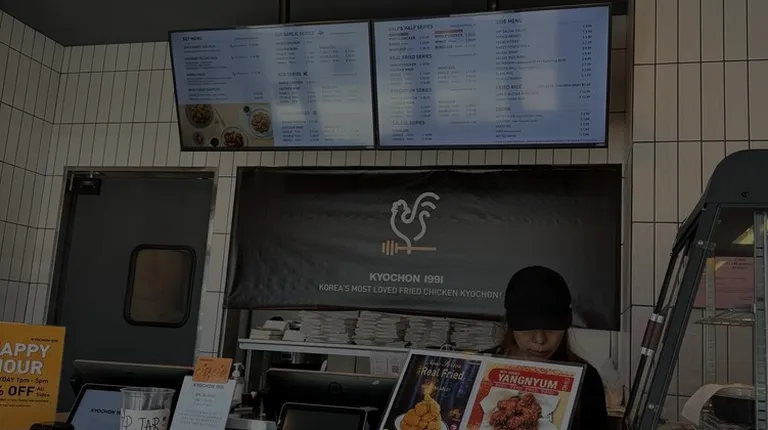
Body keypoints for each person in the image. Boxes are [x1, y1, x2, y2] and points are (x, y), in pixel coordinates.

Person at [482, 265, 608, 430]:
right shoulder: (477, 368)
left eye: (551, 327)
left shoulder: (587, 380)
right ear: (511, 325)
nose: (540, 339)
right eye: (528, 327)